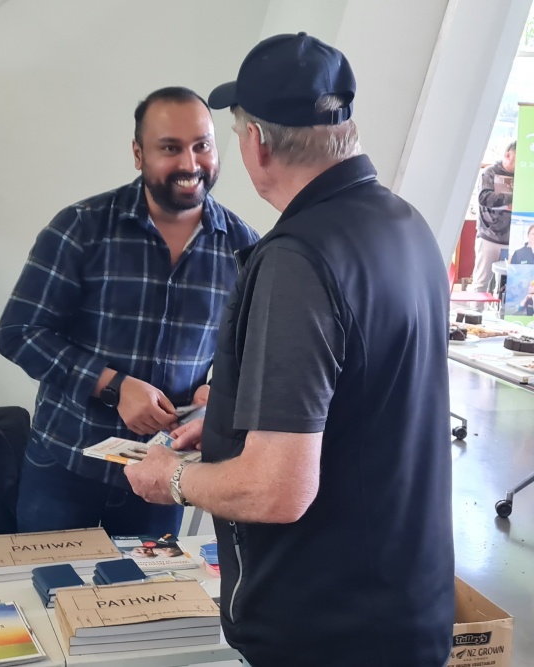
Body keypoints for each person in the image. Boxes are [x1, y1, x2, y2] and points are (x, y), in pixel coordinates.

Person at [126, 33, 454, 667]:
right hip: (406, 604)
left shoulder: (297, 258)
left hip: (327, 630)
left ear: (257, 141)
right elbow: (366, 397)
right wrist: (228, 421)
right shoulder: (405, 225)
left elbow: (277, 490)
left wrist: (171, 479)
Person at [0, 86, 259, 537]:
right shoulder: (81, 227)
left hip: (165, 475)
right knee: (48, 582)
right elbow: (19, 332)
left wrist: (218, 391)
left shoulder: (244, 248)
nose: (190, 163)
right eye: (170, 148)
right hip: (66, 463)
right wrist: (113, 386)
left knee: (150, 586)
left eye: (202, 146)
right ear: (138, 154)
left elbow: (251, 355)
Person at [472, 141, 516, 291]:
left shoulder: (523, 176)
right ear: (508, 155)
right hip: (489, 237)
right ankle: (475, 307)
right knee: (481, 282)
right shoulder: (490, 172)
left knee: (507, 285)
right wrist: (511, 198)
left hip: (513, 239)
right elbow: (484, 198)